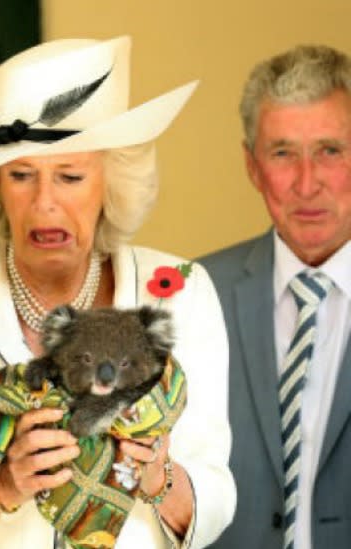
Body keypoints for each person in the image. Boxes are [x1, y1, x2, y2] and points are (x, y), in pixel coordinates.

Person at [0, 36, 235, 548]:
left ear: (110, 184)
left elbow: (216, 494)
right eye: (21, 176)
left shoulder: (181, 291)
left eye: (69, 176)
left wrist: (159, 477)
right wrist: (0, 485)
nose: (44, 204)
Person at [201, 44, 351, 549]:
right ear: (251, 165)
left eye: (330, 150)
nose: (307, 184)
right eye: (283, 153)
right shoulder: (197, 293)